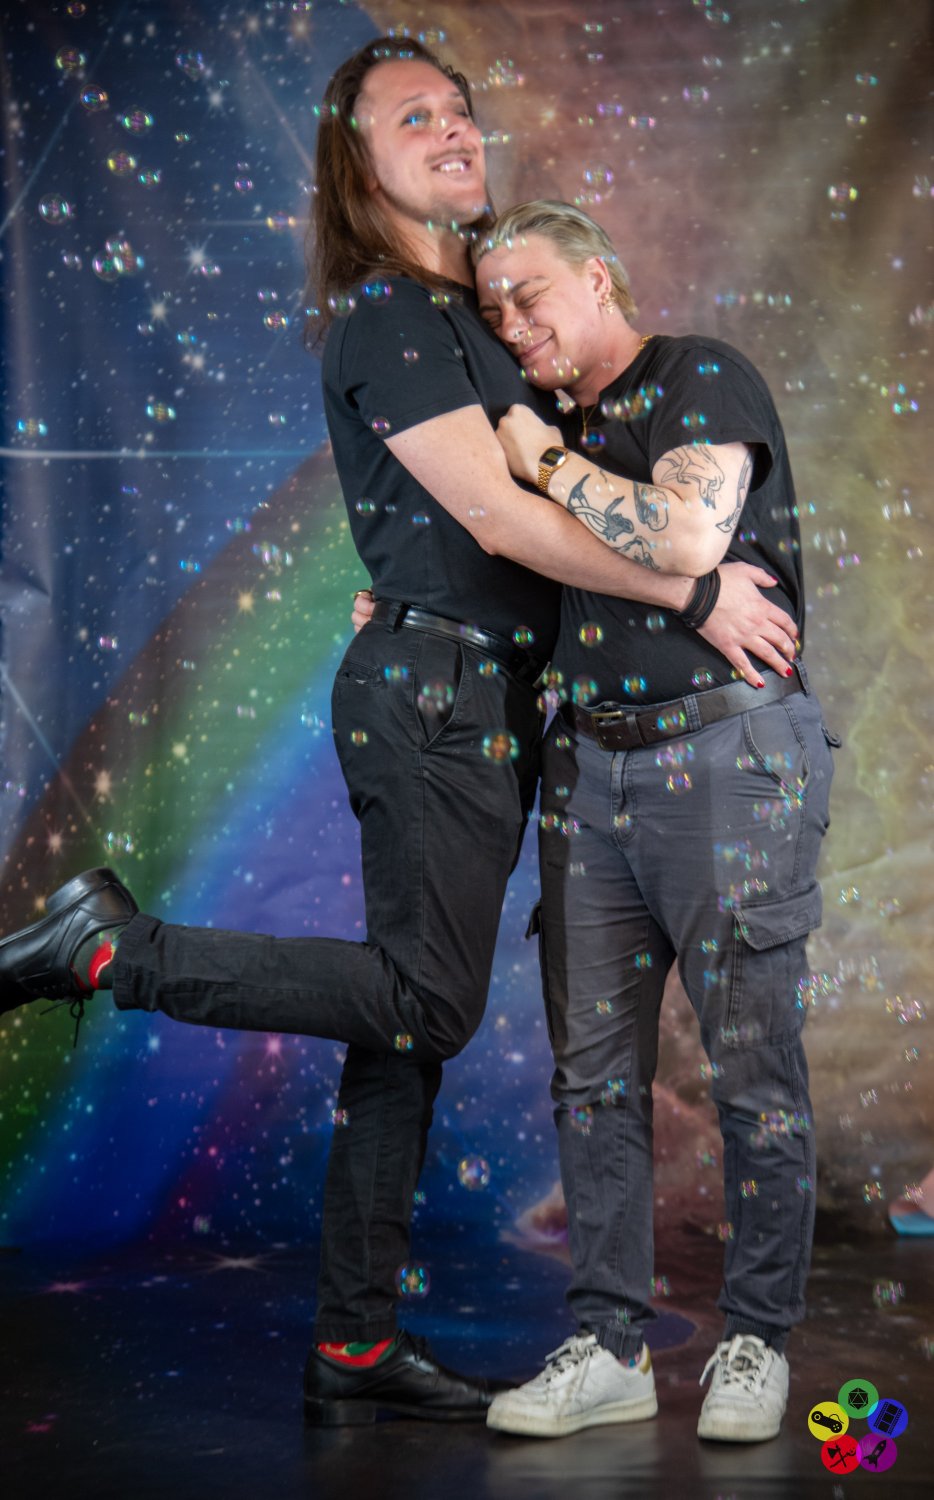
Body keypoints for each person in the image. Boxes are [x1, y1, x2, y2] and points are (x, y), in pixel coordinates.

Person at [0, 44, 796, 1427]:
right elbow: (496, 515)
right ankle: (113, 951)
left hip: (482, 701)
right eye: (412, 117)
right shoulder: (386, 314)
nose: (454, 129)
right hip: (437, 699)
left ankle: (353, 1343)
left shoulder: (478, 321)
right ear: (356, 166)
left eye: (460, 110)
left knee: (401, 1030)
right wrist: (691, 592)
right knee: (424, 1003)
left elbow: (504, 511)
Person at [447, 200, 834, 1443]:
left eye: (529, 295)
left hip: (727, 756)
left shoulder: (696, 375)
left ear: (599, 279)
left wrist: (542, 461)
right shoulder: (543, 427)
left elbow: (687, 531)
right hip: (589, 769)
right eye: (492, 310)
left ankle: (756, 1340)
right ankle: (608, 1345)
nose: (512, 324)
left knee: (752, 1068)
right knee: (592, 1077)